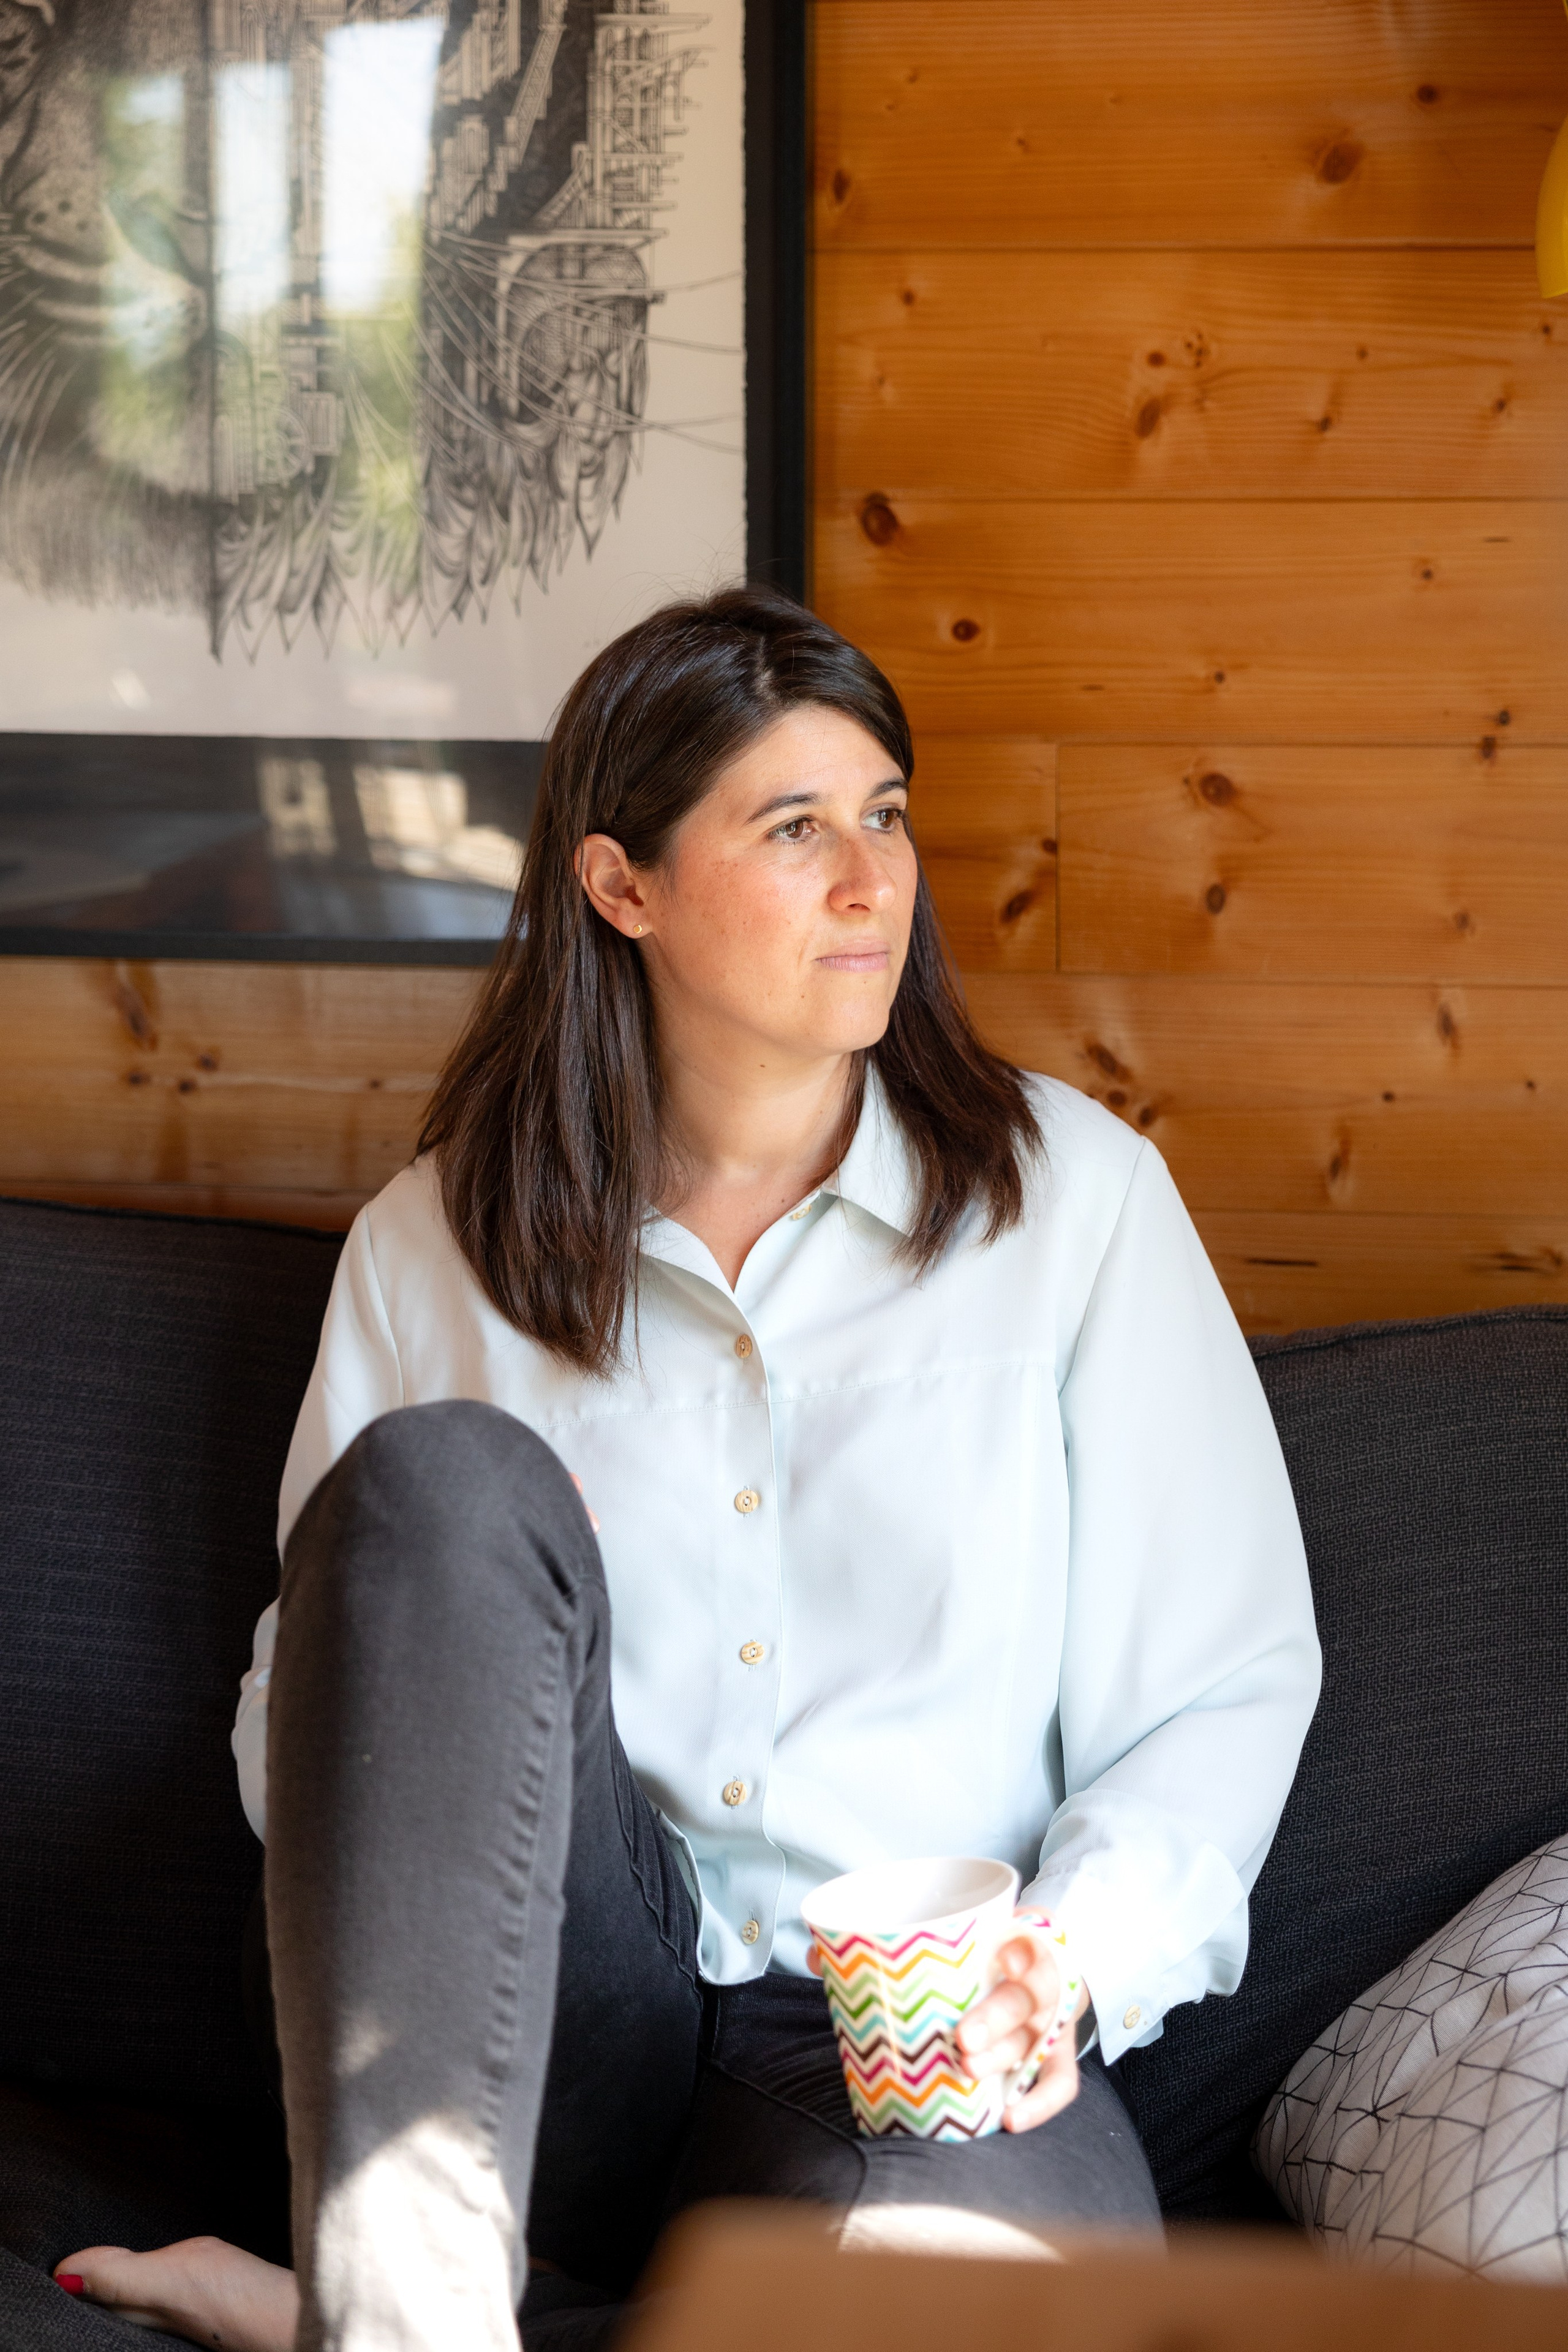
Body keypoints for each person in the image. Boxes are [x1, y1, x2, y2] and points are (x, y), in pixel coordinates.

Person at [54, 588, 1321, 2351]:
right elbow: (309, 1716)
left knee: (989, 2321)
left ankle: (348, 2329)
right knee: (439, 1488)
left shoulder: (1077, 1205)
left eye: (883, 813)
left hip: (887, 2047)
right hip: (539, 2033)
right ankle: (413, 2292)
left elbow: (1222, 1684)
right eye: (795, 829)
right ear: (620, 884)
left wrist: (1074, 1960)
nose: (875, 880)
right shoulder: (434, 1245)